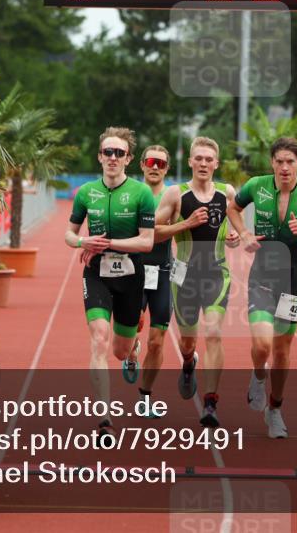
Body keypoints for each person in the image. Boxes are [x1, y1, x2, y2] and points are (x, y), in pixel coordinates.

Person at [226, 137, 297, 438]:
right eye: (279, 161)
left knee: (283, 350)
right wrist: (245, 233)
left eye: (290, 161)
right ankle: (258, 377)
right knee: (262, 345)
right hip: (262, 274)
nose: (284, 167)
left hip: (292, 277)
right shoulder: (257, 185)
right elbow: (232, 208)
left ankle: (275, 410)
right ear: (272, 163)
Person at [65, 127, 155, 435]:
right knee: (99, 338)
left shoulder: (142, 193)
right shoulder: (87, 192)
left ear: (128, 159)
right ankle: (104, 415)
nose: (112, 158)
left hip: (131, 275)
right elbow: (69, 234)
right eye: (108, 152)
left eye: (119, 153)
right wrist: (82, 243)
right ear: (100, 156)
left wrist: (109, 243)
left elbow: (146, 242)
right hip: (96, 273)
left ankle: (132, 351)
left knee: (119, 349)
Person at [152, 137, 239, 427]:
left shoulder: (227, 194)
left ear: (216, 163)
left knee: (213, 332)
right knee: (188, 341)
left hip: (216, 273)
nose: (203, 163)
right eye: (198, 158)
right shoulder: (176, 194)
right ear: (190, 162)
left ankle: (211, 402)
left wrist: (236, 237)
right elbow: (152, 231)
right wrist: (185, 224)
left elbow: (237, 229)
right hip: (184, 277)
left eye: (208, 159)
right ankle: (189, 362)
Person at [121, 145, 173, 417]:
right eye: (151, 162)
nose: (155, 167)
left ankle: (145, 397)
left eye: (161, 164)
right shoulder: (128, 193)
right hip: (132, 271)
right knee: (129, 335)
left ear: (167, 169)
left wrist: (229, 237)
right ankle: (131, 352)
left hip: (163, 272)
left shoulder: (173, 196)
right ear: (141, 164)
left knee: (157, 341)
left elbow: (189, 229)